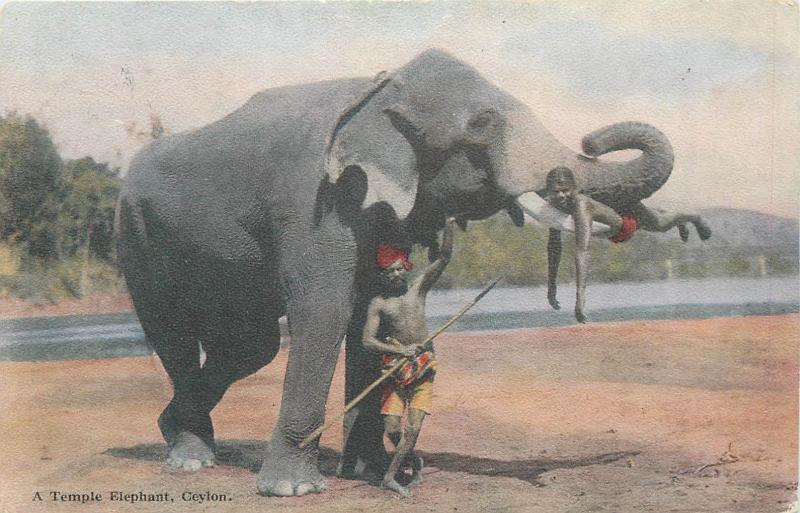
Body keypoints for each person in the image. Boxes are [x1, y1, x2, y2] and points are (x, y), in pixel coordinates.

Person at [361, 218, 455, 498]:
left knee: (412, 428)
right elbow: (367, 341)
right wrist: (399, 351)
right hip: (396, 370)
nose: (396, 275)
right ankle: (413, 461)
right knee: (392, 430)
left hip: (424, 366)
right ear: (382, 275)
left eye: (400, 268)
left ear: (406, 267)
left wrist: (448, 224)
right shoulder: (379, 304)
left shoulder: (418, 290)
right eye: (390, 272)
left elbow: (444, 257)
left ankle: (390, 476)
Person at [543, 166, 634, 323]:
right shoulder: (554, 204)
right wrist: (551, 286)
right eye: (555, 191)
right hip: (606, 232)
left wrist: (580, 299)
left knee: (662, 224)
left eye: (565, 190)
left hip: (625, 227)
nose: (560, 195)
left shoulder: (580, 203)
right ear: (549, 192)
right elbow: (554, 246)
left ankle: (686, 219)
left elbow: (583, 250)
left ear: (574, 188)